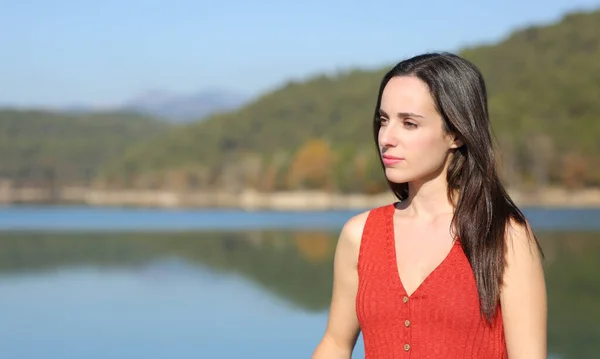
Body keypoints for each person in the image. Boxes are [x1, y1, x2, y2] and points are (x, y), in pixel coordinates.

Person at [311, 52, 547, 359]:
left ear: (456, 133)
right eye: (384, 120)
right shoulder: (359, 236)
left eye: (409, 123)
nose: (387, 137)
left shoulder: (504, 236)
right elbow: (335, 344)